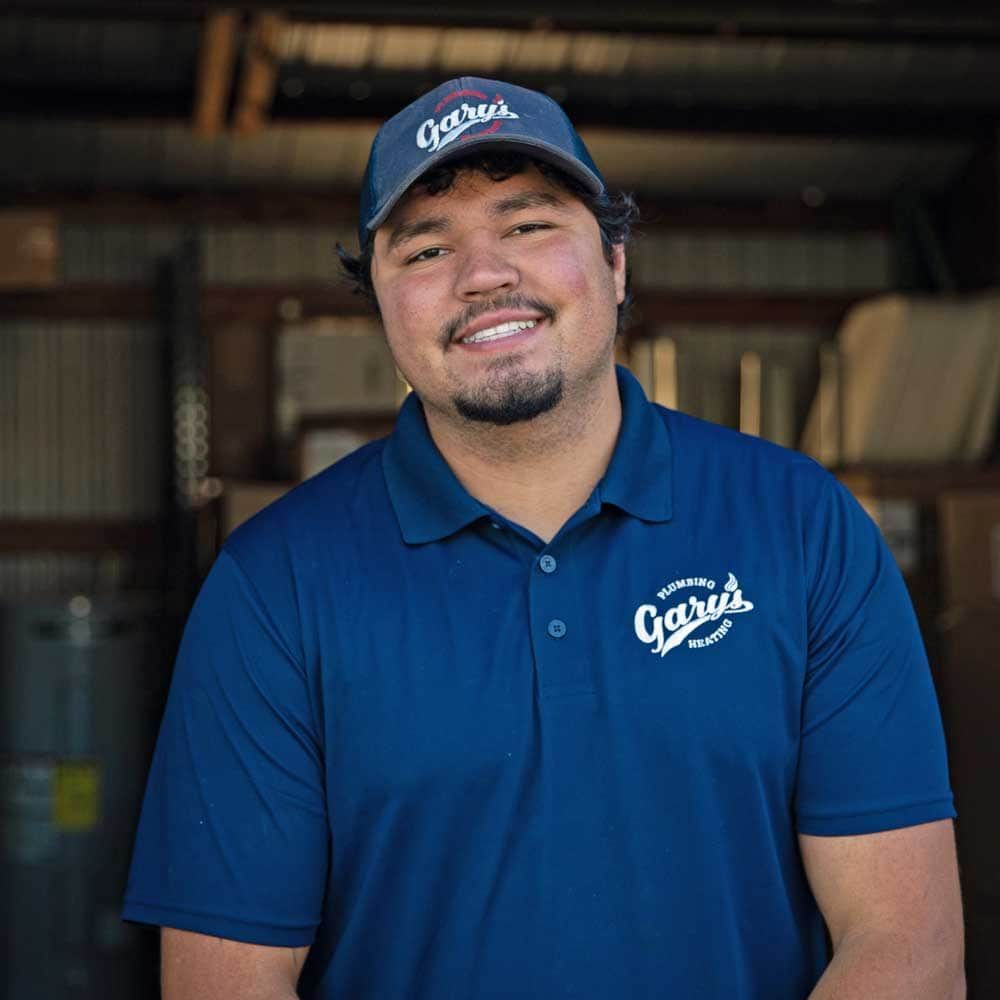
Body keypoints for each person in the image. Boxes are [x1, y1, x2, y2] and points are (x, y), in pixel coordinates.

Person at [124, 77, 965, 999]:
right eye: (427, 247)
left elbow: (904, 945)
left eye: (527, 226)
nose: (483, 274)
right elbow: (224, 980)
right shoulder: (274, 584)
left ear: (614, 262)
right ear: (380, 306)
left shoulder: (803, 527)